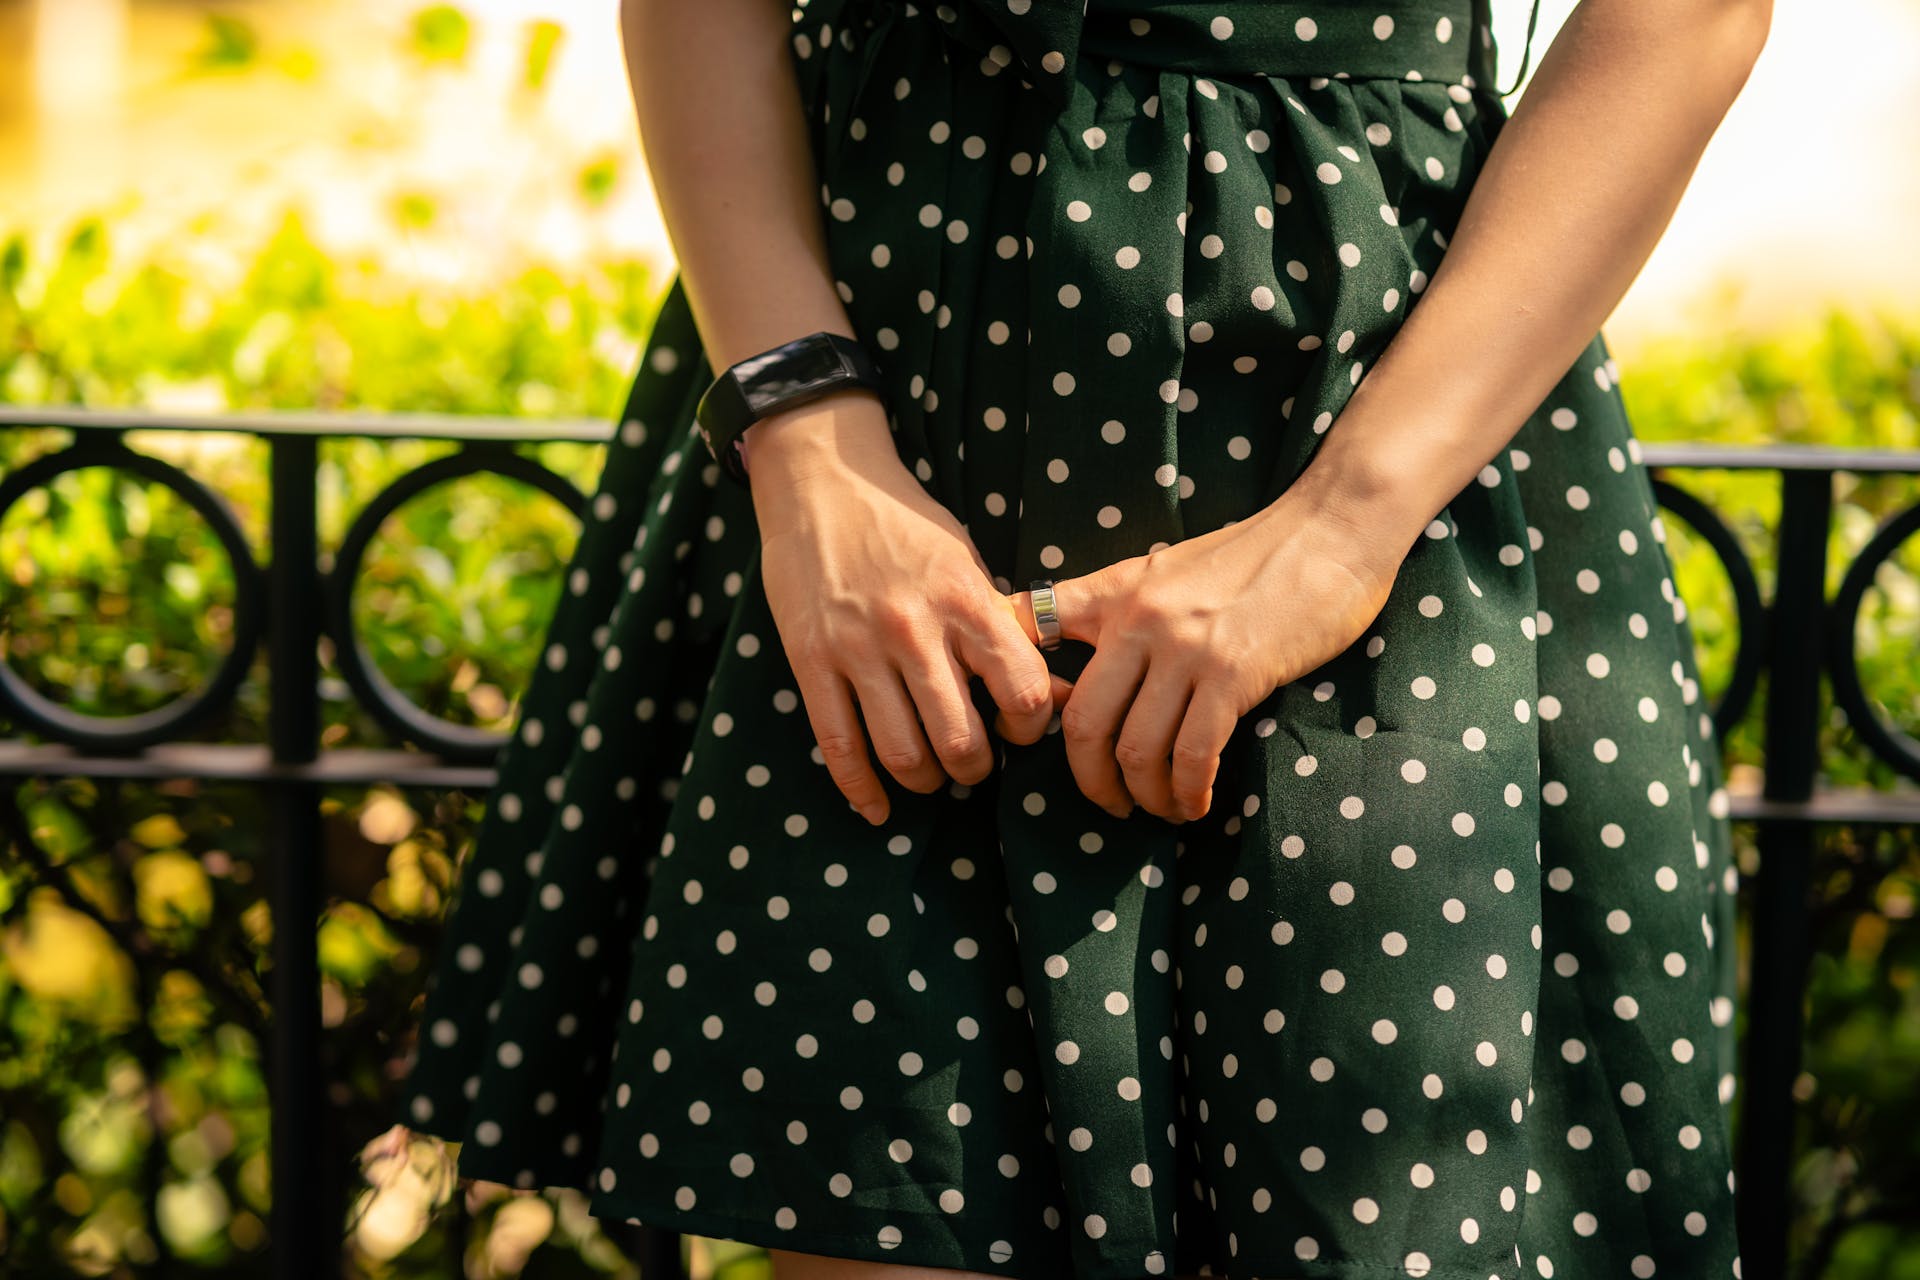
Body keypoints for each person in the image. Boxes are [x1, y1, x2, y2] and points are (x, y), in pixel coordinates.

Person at [394, 0, 1771, 1275]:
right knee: (879, 1206)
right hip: (864, 433)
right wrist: (807, 438)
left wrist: (1347, 523)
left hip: (1366, 440)